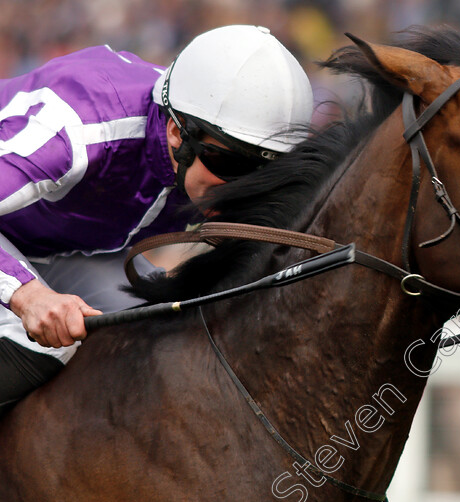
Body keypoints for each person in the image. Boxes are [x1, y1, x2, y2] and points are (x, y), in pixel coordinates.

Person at [0, 25, 314, 412]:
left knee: (152, 338)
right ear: (176, 134)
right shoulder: (77, 132)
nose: (245, 189)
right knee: (43, 345)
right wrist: (27, 294)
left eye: (266, 174)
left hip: (57, 245)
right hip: (15, 237)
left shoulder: (195, 140)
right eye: (232, 164)